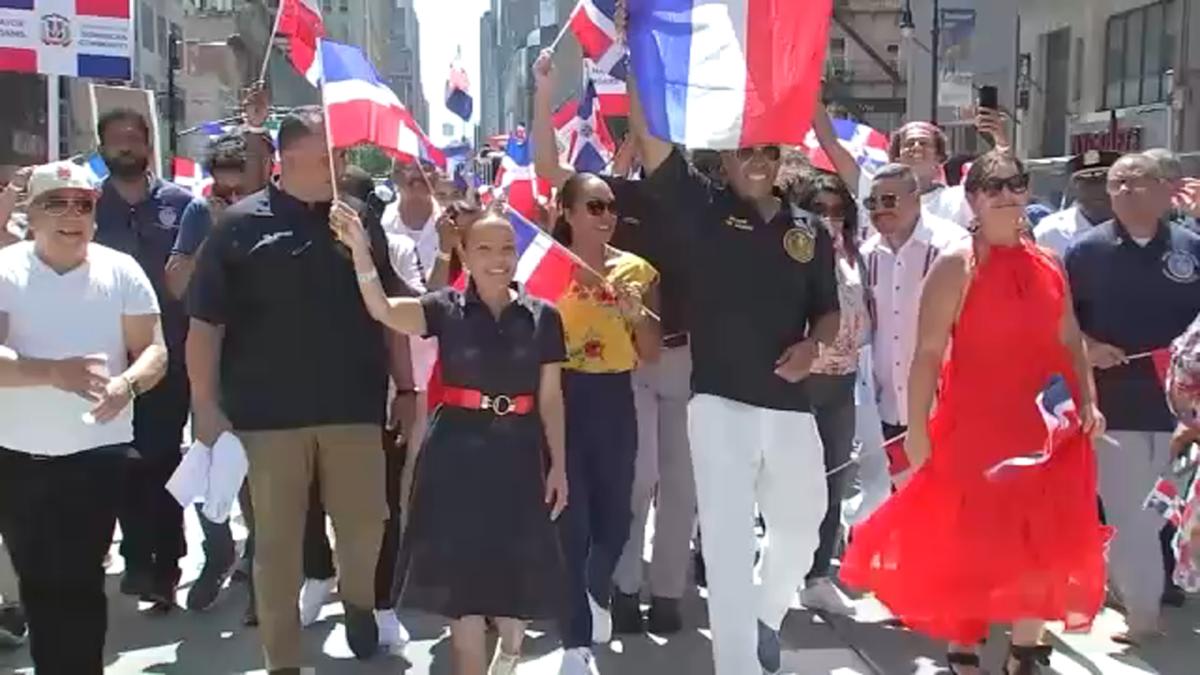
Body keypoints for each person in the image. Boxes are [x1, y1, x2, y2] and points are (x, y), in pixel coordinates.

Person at [841, 151, 1110, 675]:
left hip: (1045, 430)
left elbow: (1070, 337)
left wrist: (1090, 401)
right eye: (994, 188)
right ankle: (964, 649)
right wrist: (917, 430)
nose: (1008, 196)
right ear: (974, 200)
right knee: (972, 542)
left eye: (1016, 185)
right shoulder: (956, 264)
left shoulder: (1049, 262)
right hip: (975, 429)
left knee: (1042, 539)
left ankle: (1023, 653)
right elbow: (925, 353)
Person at [630, 74, 841, 675]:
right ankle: (737, 665)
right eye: (746, 150)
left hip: (790, 402)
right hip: (719, 403)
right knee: (726, 546)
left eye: (769, 152)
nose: (758, 161)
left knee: (803, 528)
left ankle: (766, 615)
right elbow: (650, 142)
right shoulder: (701, 207)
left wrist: (814, 346)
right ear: (726, 157)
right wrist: (637, 56)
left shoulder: (810, 230)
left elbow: (828, 309)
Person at [186, 107, 410, 672]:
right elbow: (205, 325)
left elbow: (391, 311)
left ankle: (359, 601)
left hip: (354, 409)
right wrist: (205, 405)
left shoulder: (358, 221)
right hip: (267, 419)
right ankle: (283, 659)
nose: (337, 168)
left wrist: (407, 389)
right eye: (324, 158)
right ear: (286, 161)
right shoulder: (237, 226)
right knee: (278, 551)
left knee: (367, 528)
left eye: (339, 157)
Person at [330, 201, 570, 675]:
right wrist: (360, 251)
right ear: (464, 251)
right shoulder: (445, 307)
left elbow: (551, 399)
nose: (498, 258)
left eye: (506, 248)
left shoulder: (544, 317)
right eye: (484, 248)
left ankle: (511, 651)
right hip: (455, 453)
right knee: (465, 598)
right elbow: (381, 308)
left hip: (519, 453)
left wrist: (558, 464)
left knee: (514, 591)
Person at [531, 50, 697, 639]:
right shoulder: (608, 199)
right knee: (637, 483)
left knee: (682, 486)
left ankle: (669, 592)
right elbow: (550, 167)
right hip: (620, 369)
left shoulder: (691, 196)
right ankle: (617, 592)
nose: (604, 212)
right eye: (593, 204)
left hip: (680, 356)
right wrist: (546, 91)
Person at [0, 160, 168, 674]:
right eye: (57, 204)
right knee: (37, 581)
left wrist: (128, 383)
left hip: (96, 454)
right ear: (31, 214)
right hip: (16, 456)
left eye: (83, 205)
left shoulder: (122, 270)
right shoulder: (6, 270)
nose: (72, 215)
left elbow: (154, 351)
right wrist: (54, 372)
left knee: (78, 579)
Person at [1064, 152, 1200, 644]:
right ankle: (1143, 616)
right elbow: (1058, 325)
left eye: (1136, 181)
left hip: (1184, 414)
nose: (1123, 190)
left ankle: (1130, 587)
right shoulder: (1085, 252)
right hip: (1115, 410)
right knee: (1129, 514)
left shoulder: (1192, 248)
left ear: (1167, 190)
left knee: (1167, 514)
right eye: (1117, 183)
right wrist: (1087, 348)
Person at [548, 172, 660, 672]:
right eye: (593, 207)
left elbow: (652, 352)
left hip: (615, 396)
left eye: (610, 206)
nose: (606, 216)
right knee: (571, 522)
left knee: (616, 519)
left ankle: (595, 592)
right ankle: (575, 643)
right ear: (567, 213)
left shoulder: (639, 271)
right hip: (561, 397)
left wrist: (636, 316)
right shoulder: (544, 269)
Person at [91, 108, 197, 611]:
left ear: (150, 143)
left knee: (162, 457)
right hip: (103, 360)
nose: (126, 147)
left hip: (170, 353)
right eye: (116, 140)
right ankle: (136, 559)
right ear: (102, 148)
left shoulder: (182, 204)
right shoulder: (88, 206)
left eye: (134, 138)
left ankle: (168, 563)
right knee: (122, 462)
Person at [785, 170, 875, 616]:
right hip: (799, 383)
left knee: (832, 481)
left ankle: (817, 575)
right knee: (789, 485)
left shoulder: (855, 255)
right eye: (819, 210)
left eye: (839, 211)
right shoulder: (790, 254)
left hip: (843, 382)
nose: (831, 219)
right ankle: (782, 570)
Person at [859, 164, 964, 445]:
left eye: (889, 200)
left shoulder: (952, 248)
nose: (880, 208)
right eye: (872, 202)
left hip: (944, 406)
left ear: (915, 197)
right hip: (886, 410)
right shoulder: (865, 255)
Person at [811, 101, 1010, 229]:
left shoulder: (959, 198)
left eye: (924, 143)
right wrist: (812, 95)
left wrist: (1000, 138)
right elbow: (832, 145)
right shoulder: (875, 194)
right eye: (908, 144)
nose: (916, 148)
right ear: (896, 158)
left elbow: (1003, 175)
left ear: (940, 158)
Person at [1033, 150, 1119, 257]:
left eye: (1103, 181)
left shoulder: (1137, 226)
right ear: (1073, 187)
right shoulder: (1051, 231)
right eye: (1087, 183)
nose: (1096, 190)